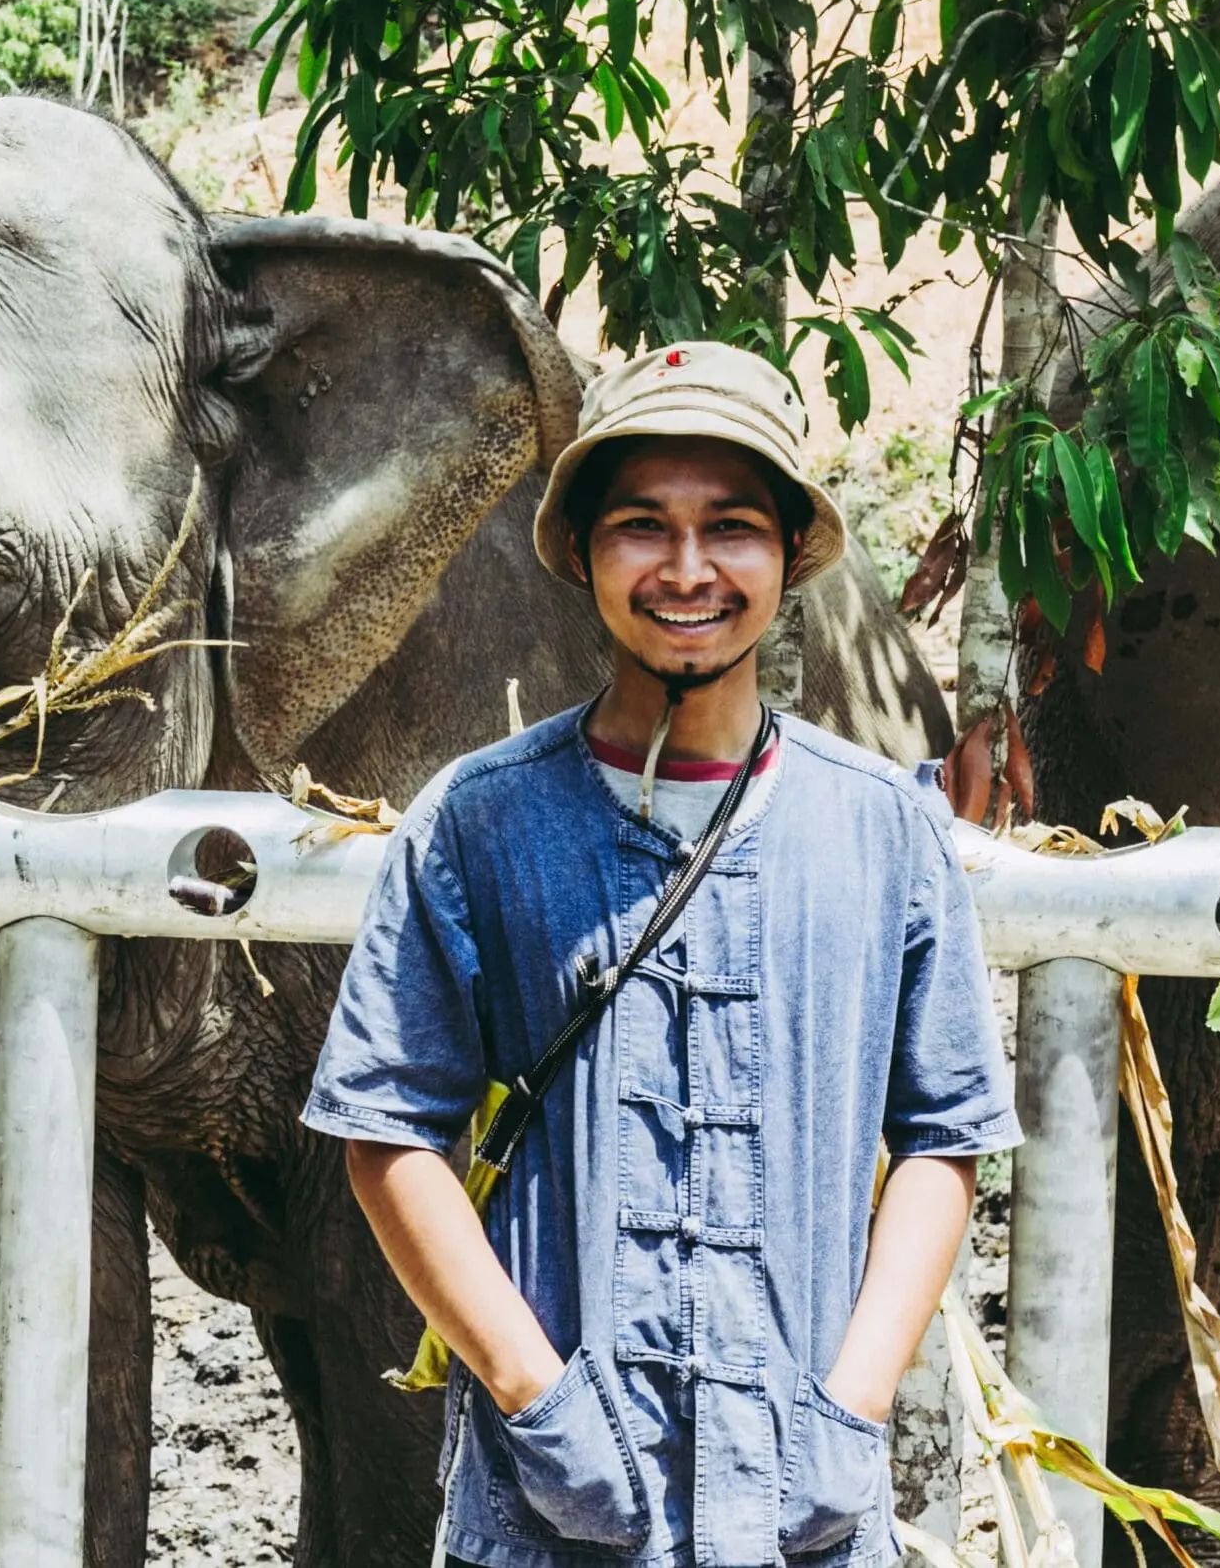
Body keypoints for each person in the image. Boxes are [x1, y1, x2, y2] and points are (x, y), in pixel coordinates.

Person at [303, 342, 1021, 1568]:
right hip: (548, 1512)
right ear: (583, 550)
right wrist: (536, 1397)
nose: (687, 570)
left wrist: (847, 1410)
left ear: (791, 552)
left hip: (807, 1513)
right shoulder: (475, 823)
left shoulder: (882, 830)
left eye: (730, 527)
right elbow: (385, 1130)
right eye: (643, 526)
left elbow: (944, 1136)